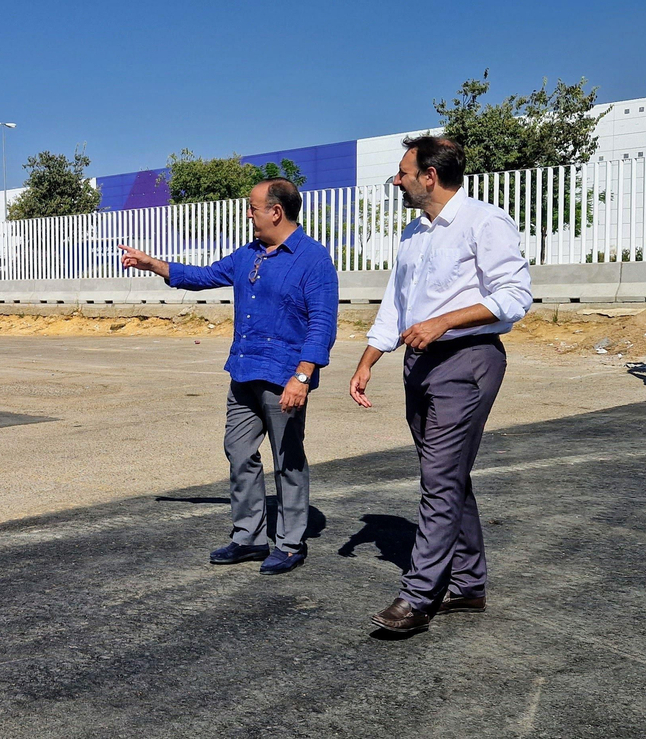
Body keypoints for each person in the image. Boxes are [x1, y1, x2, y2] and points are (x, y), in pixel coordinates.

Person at [349, 136, 532, 634]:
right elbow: (396, 305)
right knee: (448, 476)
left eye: (403, 171)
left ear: (430, 175)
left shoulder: (484, 221)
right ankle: (469, 584)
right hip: (420, 362)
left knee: (439, 478)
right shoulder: (414, 232)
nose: (396, 179)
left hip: (467, 361)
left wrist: (444, 323)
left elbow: (515, 296)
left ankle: (417, 596)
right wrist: (368, 360)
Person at [121, 178, 338, 575]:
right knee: (239, 453)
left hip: (285, 377)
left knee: (287, 460)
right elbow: (204, 276)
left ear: (276, 211)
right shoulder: (249, 254)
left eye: (253, 207)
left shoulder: (313, 259)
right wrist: (154, 264)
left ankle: (290, 544)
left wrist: (303, 377)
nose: (248, 214)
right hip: (243, 371)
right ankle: (249, 538)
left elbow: (322, 324)